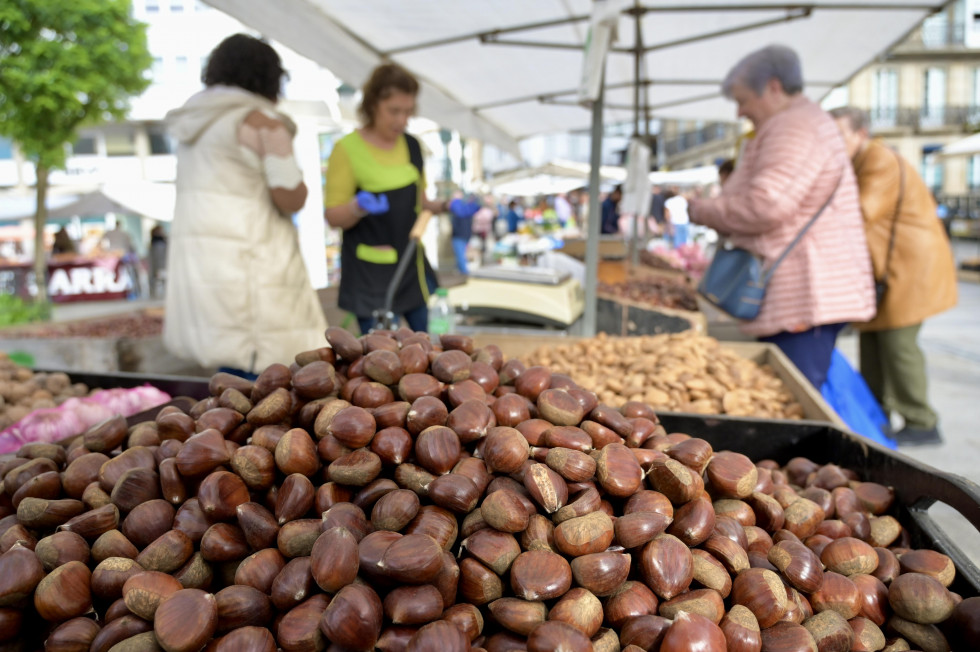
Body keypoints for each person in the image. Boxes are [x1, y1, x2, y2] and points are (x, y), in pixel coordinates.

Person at [688, 44, 875, 390]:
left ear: (773, 87)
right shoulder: (797, 123)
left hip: (806, 295)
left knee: (796, 394)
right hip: (802, 295)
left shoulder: (794, 127)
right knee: (793, 389)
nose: (741, 111)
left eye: (744, 100)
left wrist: (701, 210)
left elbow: (766, 206)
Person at [164, 34, 326, 376]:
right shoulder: (262, 122)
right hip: (255, 269)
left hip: (209, 269)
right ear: (269, 77)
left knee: (229, 378)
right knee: (268, 380)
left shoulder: (195, 125)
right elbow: (289, 196)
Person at [830, 106, 958, 445]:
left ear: (861, 134)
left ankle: (922, 421)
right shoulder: (857, 161)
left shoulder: (878, 159)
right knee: (872, 344)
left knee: (899, 346)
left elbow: (859, 211)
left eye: (838, 135)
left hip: (909, 267)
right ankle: (877, 414)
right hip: (888, 271)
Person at [324, 62, 447, 334]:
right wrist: (357, 206)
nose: (402, 120)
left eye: (408, 112)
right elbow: (333, 216)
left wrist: (446, 206)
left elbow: (421, 201)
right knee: (378, 354)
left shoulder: (412, 145)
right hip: (371, 276)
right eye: (394, 111)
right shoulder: (347, 150)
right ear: (371, 106)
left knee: (424, 346)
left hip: (410, 267)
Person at [449, 192, 480, 275]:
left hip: (459, 235)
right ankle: (461, 272)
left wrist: (456, 200)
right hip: (465, 235)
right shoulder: (469, 207)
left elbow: (459, 211)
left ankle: (464, 274)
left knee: (461, 257)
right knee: (461, 256)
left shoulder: (460, 206)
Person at [148, 224, 167, 299]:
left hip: (159, 263)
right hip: (160, 263)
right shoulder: (158, 242)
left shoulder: (155, 242)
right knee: (159, 279)